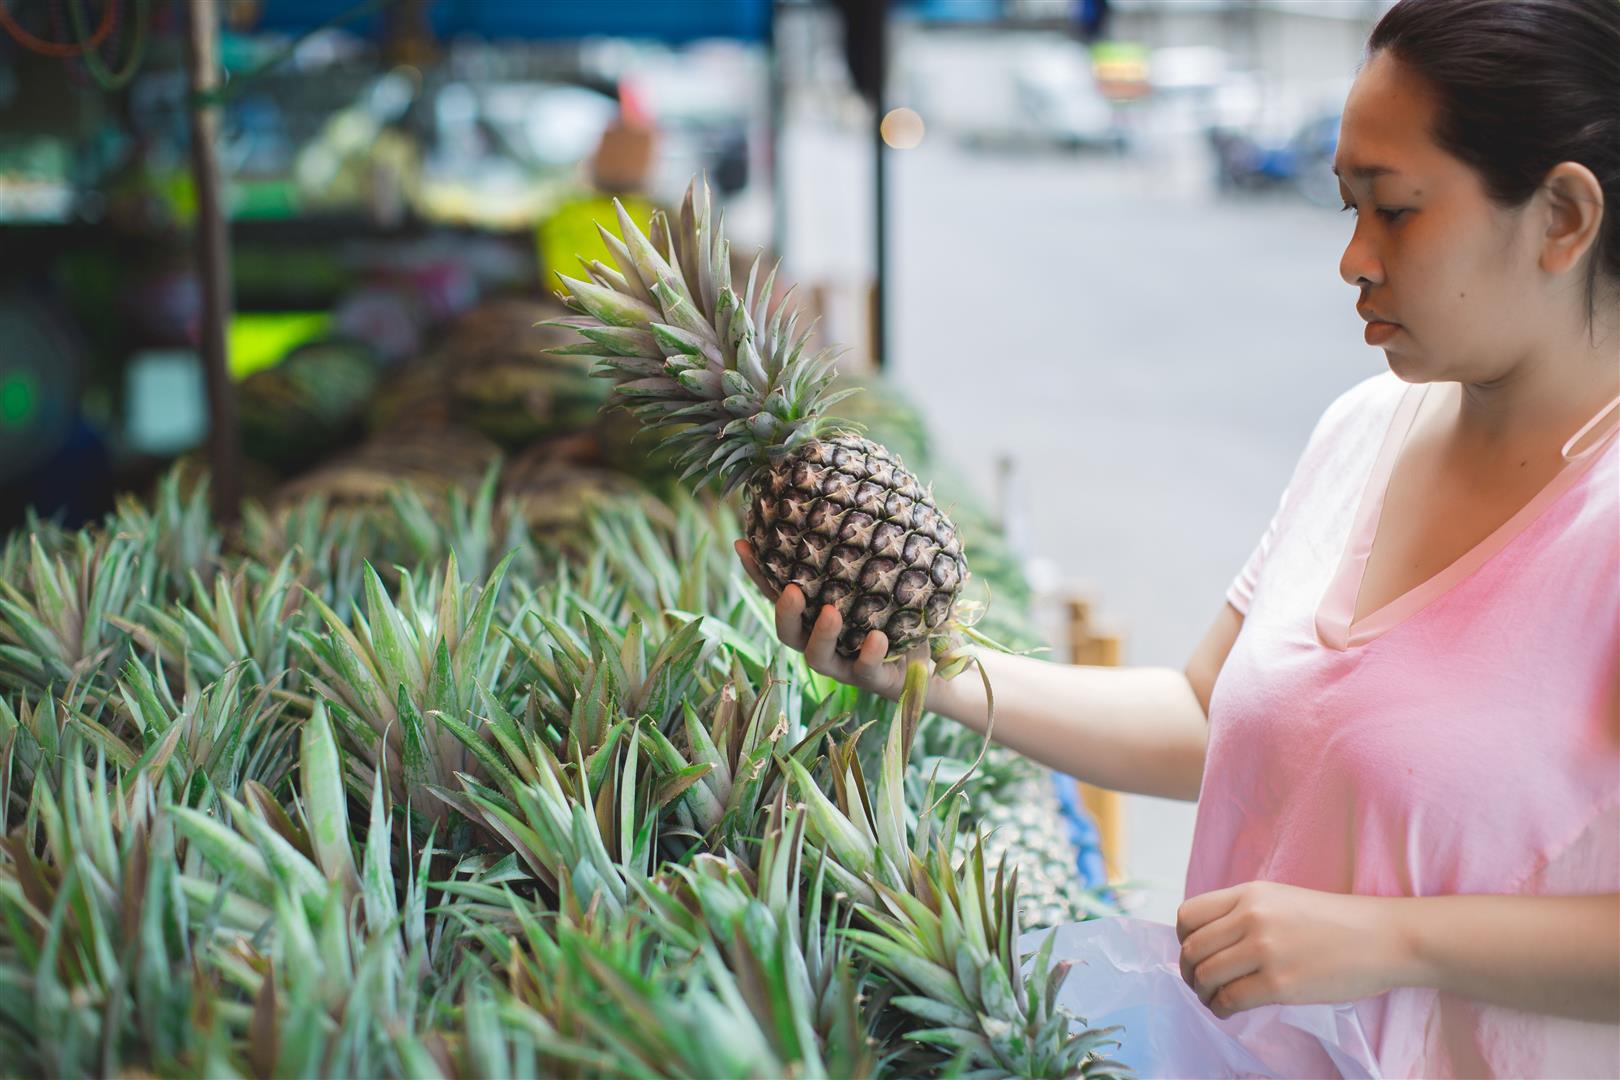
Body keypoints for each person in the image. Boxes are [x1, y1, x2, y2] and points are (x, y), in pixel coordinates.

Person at [734, 0, 1620, 1074]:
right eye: (1346, 207)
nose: (1350, 258)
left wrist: (1393, 938)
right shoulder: (1361, 431)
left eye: (1393, 210)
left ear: (1563, 219)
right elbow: (1209, 715)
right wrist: (935, 669)